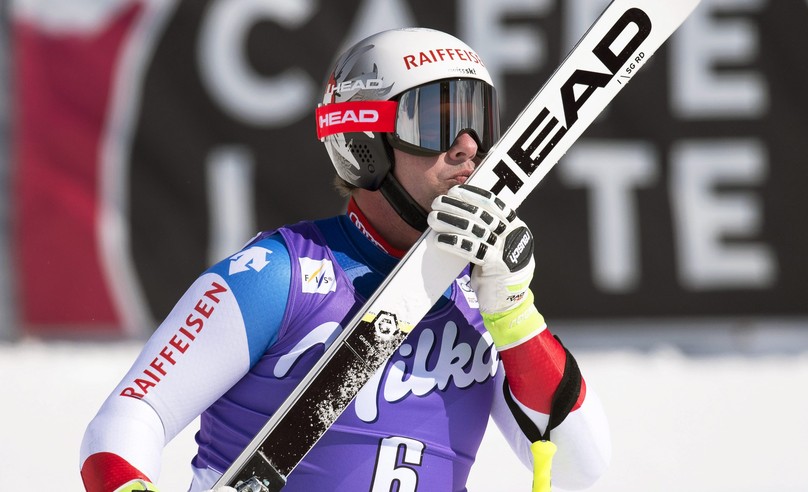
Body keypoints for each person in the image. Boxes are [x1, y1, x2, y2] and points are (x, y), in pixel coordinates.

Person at [80, 27, 611, 492]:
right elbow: (130, 417)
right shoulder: (278, 275)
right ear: (366, 143)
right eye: (435, 123)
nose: (467, 147)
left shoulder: (482, 297)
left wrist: (514, 310)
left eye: (478, 122)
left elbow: (580, 466)